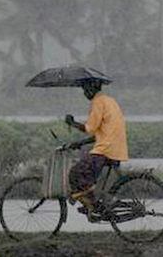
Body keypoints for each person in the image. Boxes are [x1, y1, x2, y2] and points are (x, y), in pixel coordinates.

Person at [64, 79, 128, 220]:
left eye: (86, 89)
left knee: (75, 172)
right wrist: (81, 143)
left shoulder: (98, 102)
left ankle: (92, 205)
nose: (85, 93)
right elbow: (102, 132)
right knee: (88, 176)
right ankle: (95, 203)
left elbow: (90, 128)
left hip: (106, 150)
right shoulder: (110, 101)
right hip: (115, 147)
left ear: (92, 89)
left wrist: (72, 123)